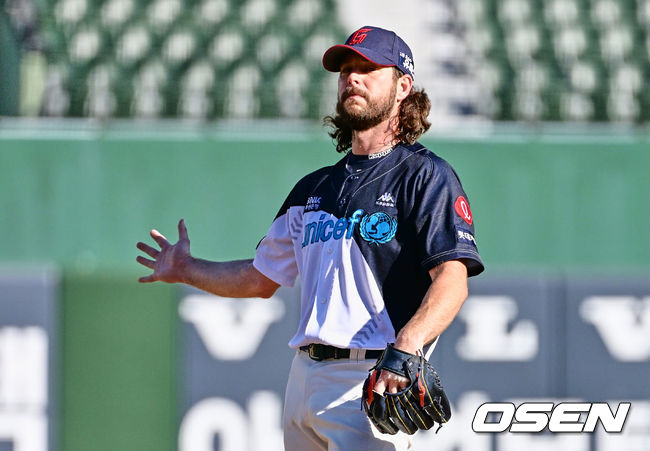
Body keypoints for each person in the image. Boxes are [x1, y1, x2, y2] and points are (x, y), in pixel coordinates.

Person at [136, 25, 484, 450]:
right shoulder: (314, 188)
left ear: (402, 87)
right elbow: (259, 278)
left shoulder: (425, 176)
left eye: (368, 68)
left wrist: (407, 348)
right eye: (345, 70)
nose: (351, 78)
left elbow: (452, 278)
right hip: (303, 379)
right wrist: (186, 269)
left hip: (372, 375)